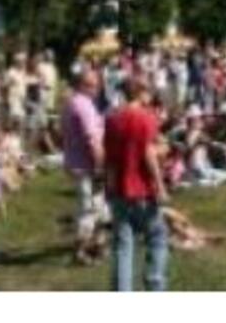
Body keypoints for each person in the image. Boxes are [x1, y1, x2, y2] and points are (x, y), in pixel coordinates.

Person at [104, 77, 170, 291]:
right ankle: (154, 286)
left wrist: (110, 187)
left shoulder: (112, 119)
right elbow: (149, 153)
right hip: (143, 191)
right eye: (148, 91)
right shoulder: (147, 118)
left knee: (123, 249)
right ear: (141, 92)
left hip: (120, 190)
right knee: (157, 238)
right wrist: (160, 185)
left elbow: (111, 159)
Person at [62, 68, 105, 265]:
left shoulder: (71, 103)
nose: (97, 88)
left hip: (76, 161)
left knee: (98, 207)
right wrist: (99, 166)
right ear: (83, 85)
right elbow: (92, 140)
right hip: (86, 165)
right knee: (88, 209)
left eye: (97, 84)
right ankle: (79, 252)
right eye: (93, 84)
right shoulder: (84, 105)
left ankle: (96, 245)